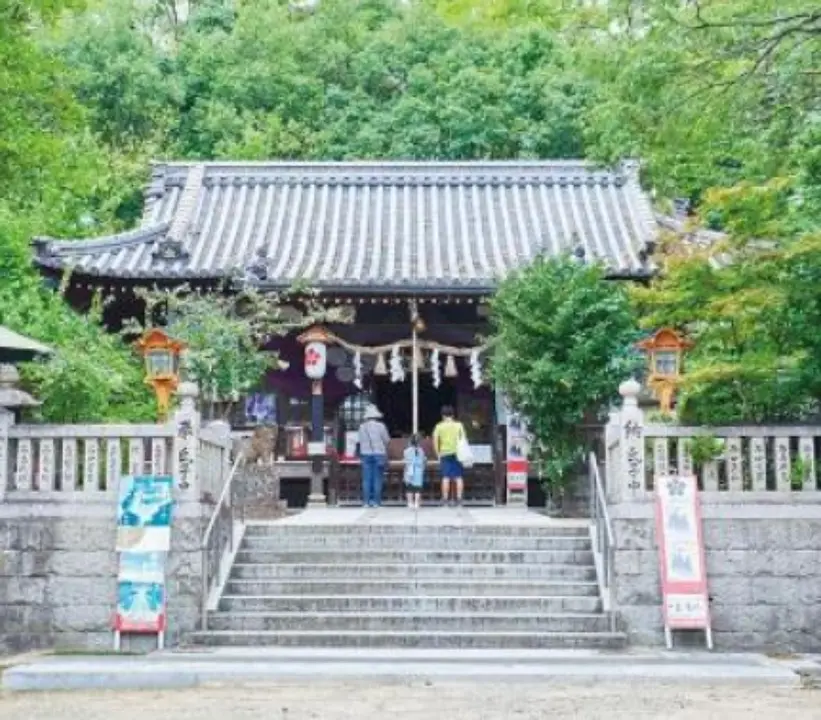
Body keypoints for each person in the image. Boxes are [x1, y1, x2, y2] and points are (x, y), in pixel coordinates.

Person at [432, 405, 467, 506]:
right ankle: (459, 499)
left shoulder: (439, 426)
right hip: (458, 453)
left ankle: (445, 499)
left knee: (446, 477)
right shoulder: (459, 425)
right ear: (453, 415)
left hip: (445, 453)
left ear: (443, 415)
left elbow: (435, 441)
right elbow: (464, 439)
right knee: (458, 477)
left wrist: (438, 454)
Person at [357, 404, 390, 508]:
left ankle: (366, 502)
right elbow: (387, 440)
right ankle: (376, 502)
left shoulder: (362, 427)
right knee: (377, 478)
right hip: (379, 454)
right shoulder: (381, 426)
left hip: (365, 454)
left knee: (366, 479)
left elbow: (359, 440)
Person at [403, 434, 426, 510]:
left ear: (410, 442)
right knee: (417, 489)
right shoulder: (421, 450)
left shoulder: (406, 451)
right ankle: (416, 503)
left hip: (409, 470)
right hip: (418, 471)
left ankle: (410, 503)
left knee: (409, 488)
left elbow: (405, 459)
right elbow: (423, 459)